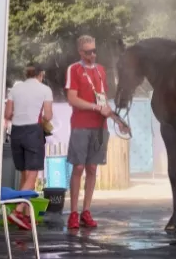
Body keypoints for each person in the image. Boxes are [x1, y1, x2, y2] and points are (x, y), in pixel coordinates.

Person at [65, 35, 114, 229]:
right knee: (78, 167)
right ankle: (74, 212)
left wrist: (109, 111)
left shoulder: (101, 70)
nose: (92, 55)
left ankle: (86, 210)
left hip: (100, 125)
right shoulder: (74, 69)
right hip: (80, 124)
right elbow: (72, 99)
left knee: (92, 168)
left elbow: (103, 97)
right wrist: (95, 107)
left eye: (94, 51)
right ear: (80, 52)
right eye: (88, 52)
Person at [3, 63, 53, 230]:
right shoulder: (45, 89)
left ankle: (24, 214)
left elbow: (7, 114)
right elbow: (48, 115)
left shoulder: (15, 90)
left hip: (16, 132)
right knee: (33, 174)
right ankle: (17, 210)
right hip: (33, 131)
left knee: (25, 173)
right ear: (41, 74)